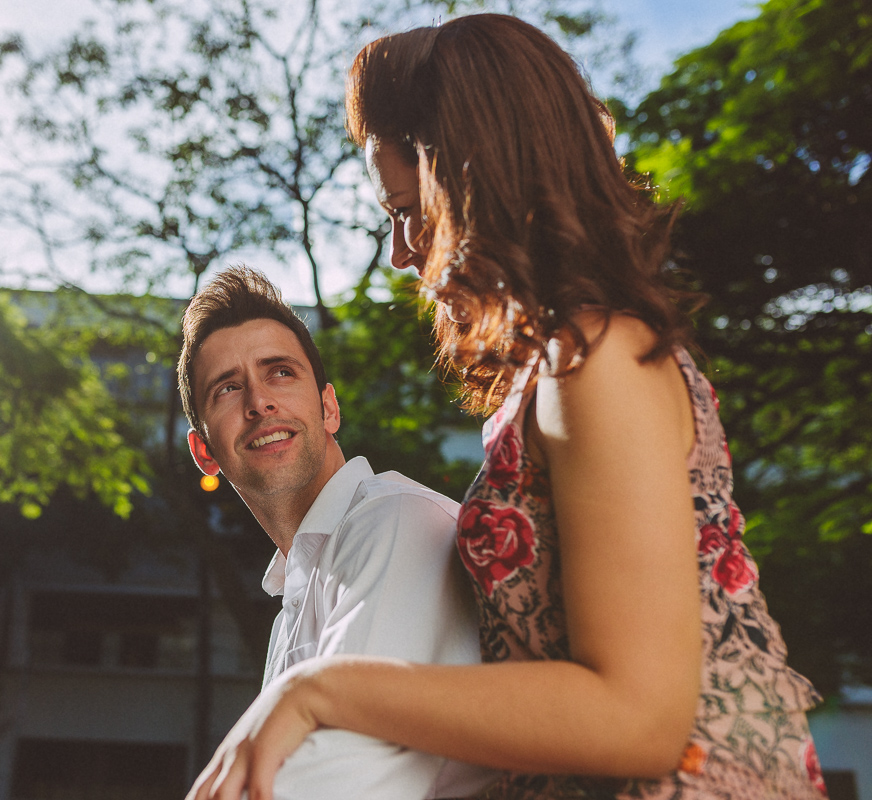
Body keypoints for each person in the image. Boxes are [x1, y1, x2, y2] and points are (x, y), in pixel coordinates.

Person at [188, 14, 827, 800]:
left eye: (404, 212)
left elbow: (639, 716)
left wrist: (317, 689)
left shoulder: (599, 360)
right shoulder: (556, 373)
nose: (400, 252)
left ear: (475, 182)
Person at [178, 266, 499, 800]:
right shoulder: (294, 602)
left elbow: (343, 785)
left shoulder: (392, 522)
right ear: (204, 453)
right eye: (228, 388)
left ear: (329, 407)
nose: (259, 402)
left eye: (279, 372)